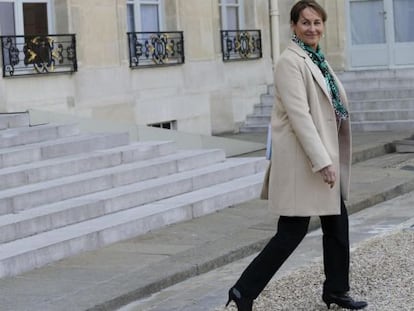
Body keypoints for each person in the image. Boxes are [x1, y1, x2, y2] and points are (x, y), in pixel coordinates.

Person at [225, 1, 368, 310]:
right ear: (293, 26)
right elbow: (300, 116)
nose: (312, 28)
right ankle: (242, 291)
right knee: (290, 233)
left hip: (319, 158)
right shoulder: (290, 62)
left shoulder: (316, 59)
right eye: (305, 23)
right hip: (304, 164)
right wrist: (323, 161)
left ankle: (336, 290)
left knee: (337, 226)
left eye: (317, 22)